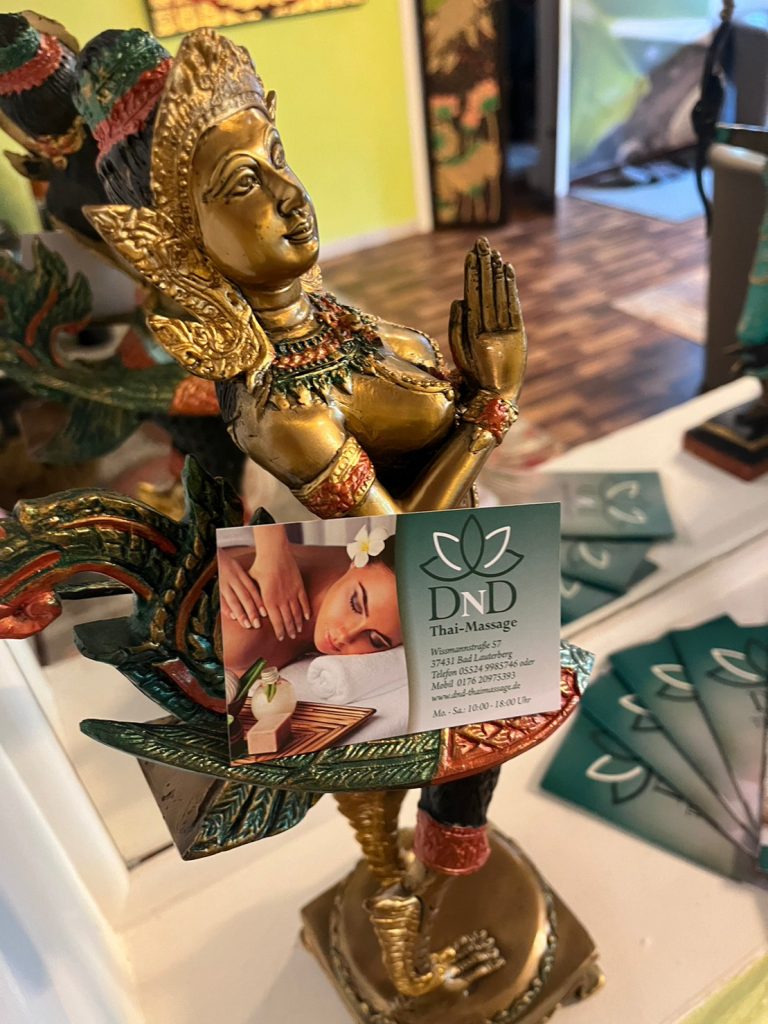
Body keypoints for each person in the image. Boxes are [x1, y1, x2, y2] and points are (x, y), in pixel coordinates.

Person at [219, 523, 401, 677]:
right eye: (355, 605)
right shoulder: (243, 634)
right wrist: (271, 547)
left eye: (375, 640)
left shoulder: (372, 569)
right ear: (355, 562)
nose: (344, 636)